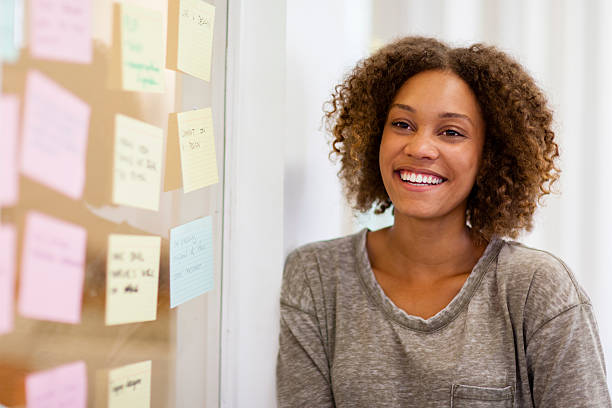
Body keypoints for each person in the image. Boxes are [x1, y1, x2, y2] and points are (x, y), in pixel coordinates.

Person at [276, 36, 612, 407]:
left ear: (490, 156)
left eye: (451, 132)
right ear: (375, 137)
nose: (419, 148)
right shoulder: (316, 277)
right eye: (402, 124)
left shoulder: (537, 289)